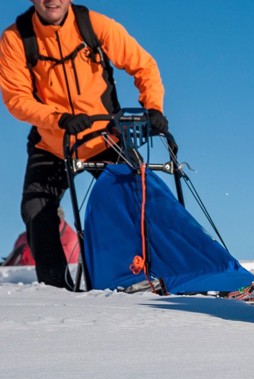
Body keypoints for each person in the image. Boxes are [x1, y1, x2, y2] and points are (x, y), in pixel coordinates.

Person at [0, 0, 168, 289]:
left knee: (139, 200)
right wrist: (59, 118)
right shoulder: (15, 39)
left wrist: (153, 108)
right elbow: (16, 99)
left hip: (105, 138)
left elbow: (143, 65)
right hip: (52, 141)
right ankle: (56, 290)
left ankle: (143, 275)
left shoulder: (93, 25)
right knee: (35, 210)